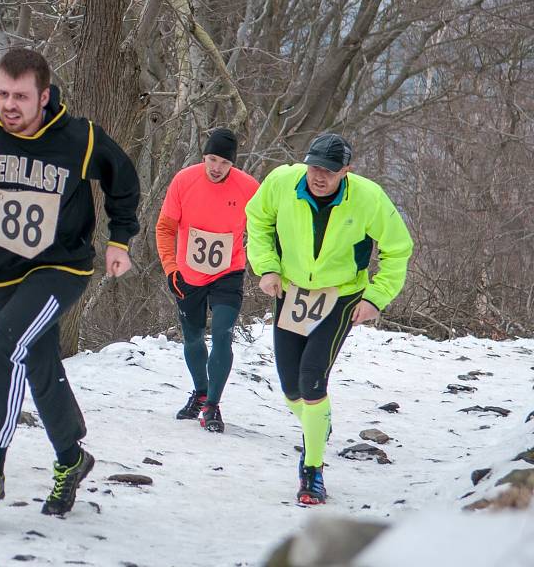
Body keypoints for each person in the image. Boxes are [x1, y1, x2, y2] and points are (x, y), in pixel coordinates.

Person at [0, 48, 140, 516]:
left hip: (60, 267)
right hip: (2, 272)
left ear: (44, 96)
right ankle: (71, 458)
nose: (9, 105)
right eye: (2, 93)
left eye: (20, 96)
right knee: (37, 360)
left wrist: (120, 239)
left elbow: (122, 180)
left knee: (4, 345)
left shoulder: (78, 138)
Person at [245, 132, 413, 504]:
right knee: (291, 389)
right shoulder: (282, 182)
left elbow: (399, 249)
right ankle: (318, 424)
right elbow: (257, 219)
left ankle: (312, 471)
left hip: (341, 296)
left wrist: (376, 298)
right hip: (291, 292)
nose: (319, 176)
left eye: (330, 171)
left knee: (311, 380)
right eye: (315, 167)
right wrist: (267, 268)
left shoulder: (369, 198)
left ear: (346, 172)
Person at [155, 129, 259, 433]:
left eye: (224, 162)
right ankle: (200, 392)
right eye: (212, 159)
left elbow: (267, 227)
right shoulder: (184, 181)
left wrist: (265, 264)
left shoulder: (249, 188)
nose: (216, 167)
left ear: (232, 164)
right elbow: (164, 228)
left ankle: (213, 405)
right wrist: (171, 268)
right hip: (188, 274)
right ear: (204, 157)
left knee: (223, 334)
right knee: (194, 337)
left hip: (229, 272)